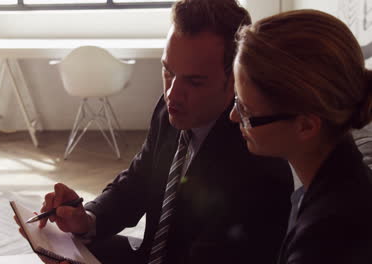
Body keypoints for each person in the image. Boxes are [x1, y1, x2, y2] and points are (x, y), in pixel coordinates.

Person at [19, 1, 294, 263]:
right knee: (68, 246)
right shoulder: (170, 110)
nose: (172, 94)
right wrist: (85, 219)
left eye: (194, 82)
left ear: (235, 79)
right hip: (156, 255)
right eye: (168, 72)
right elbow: (138, 181)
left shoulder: (258, 159)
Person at [230, 9, 372, 264]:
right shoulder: (333, 177)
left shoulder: (328, 239)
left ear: (306, 126)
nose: (233, 117)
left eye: (245, 110)